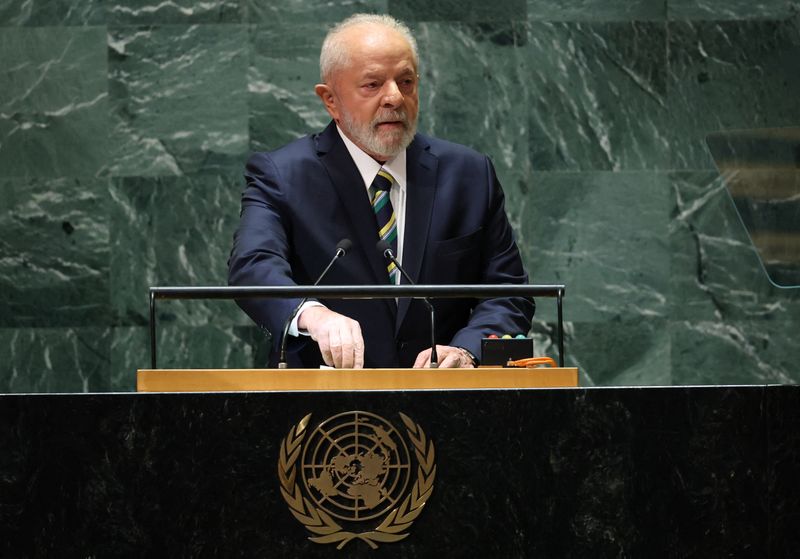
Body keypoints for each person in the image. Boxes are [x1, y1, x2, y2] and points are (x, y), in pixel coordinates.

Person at [228, 14, 534, 369]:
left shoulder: (469, 174)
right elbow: (253, 266)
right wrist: (314, 315)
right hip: (323, 406)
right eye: (372, 85)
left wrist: (466, 350)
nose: (394, 97)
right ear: (330, 100)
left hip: (447, 401)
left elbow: (508, 293)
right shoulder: (282, 175)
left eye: (406, 82)